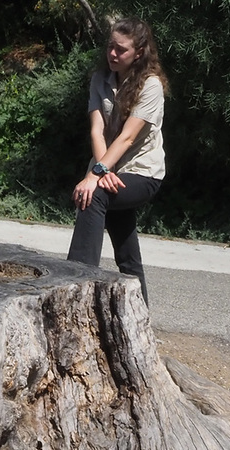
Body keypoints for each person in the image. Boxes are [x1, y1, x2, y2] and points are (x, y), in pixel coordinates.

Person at [67, 18, 168, 303]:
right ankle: (141, 318)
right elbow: (96, 130)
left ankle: (75, 286)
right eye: (110, 46)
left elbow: (125, 138)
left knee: (92, 197)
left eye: (120, 49)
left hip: (142, 172)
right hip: (108, 169)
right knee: (127, 253)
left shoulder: (151, 86)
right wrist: (100, 171)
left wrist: (96, 176)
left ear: (138, 53)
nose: (112, 53)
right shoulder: (100, 79)